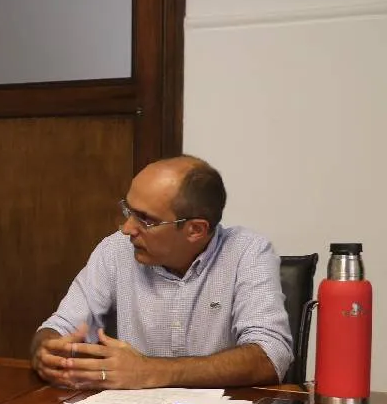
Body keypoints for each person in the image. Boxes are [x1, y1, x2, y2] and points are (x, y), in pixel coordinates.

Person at [30, 155, 292, 390]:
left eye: (146, 219)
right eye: (128, 210)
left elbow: (270, 356)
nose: (127, 228)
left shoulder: (247, 252)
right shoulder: (115, 249)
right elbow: (59, 327)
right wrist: (47, 350)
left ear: (195, 230)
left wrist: (149, 371)